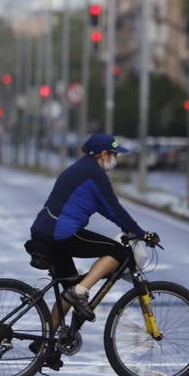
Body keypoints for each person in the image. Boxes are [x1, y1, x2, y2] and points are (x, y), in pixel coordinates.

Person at [30, 132, 159, 330]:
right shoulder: (94, 175)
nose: (115, 159)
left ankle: (45, 345)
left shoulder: (82, 169)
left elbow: (109, 211)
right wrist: (141, 234)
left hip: (45, 231)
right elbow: (116, 210)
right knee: (118, 251)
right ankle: (81, 291)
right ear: (103, 154)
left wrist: (132, 229)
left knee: (69, 290)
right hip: (61, 233)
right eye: (114, 154)